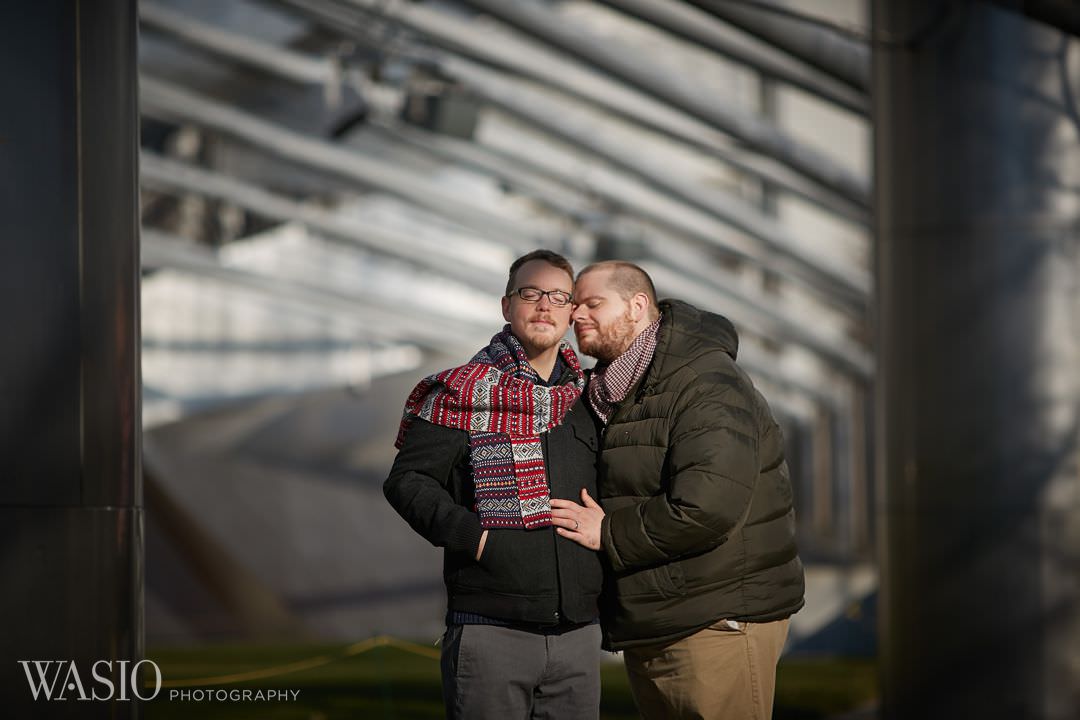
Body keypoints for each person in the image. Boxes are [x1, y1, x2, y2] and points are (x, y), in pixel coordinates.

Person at [550, 260, 805, 720]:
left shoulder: (703, 382)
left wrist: (607, 533)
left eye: (593, 303)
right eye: (575, 306)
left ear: (637, 306)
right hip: (664, 615)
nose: (576, 316)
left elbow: (707, 506)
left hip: (714, 619)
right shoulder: (619, 391)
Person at [384, 249, 604, 720]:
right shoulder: (461, 391)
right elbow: (408, 481)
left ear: (571, 313)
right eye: (531, 293)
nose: (544, 305)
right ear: (506, 306)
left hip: (579, 637)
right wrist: (474, 537)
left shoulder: (590, 399)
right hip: (490, 631)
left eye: (558, 296)